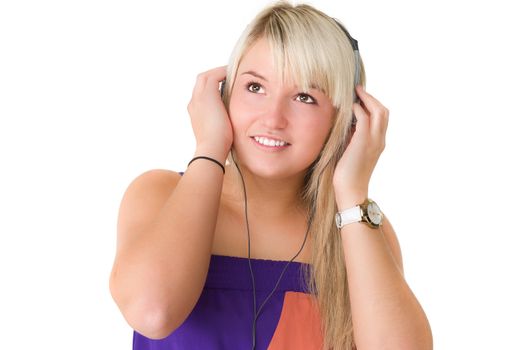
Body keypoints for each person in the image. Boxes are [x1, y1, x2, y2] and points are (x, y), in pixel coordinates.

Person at [109, 1, 433, 349]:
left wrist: (352, 192)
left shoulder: (358, 227)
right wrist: (209, 148)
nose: (273, 118)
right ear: (224, 93)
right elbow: (153, 312)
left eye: (305, 97)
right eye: (255, 87)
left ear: (347, 121)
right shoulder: (161, 193)